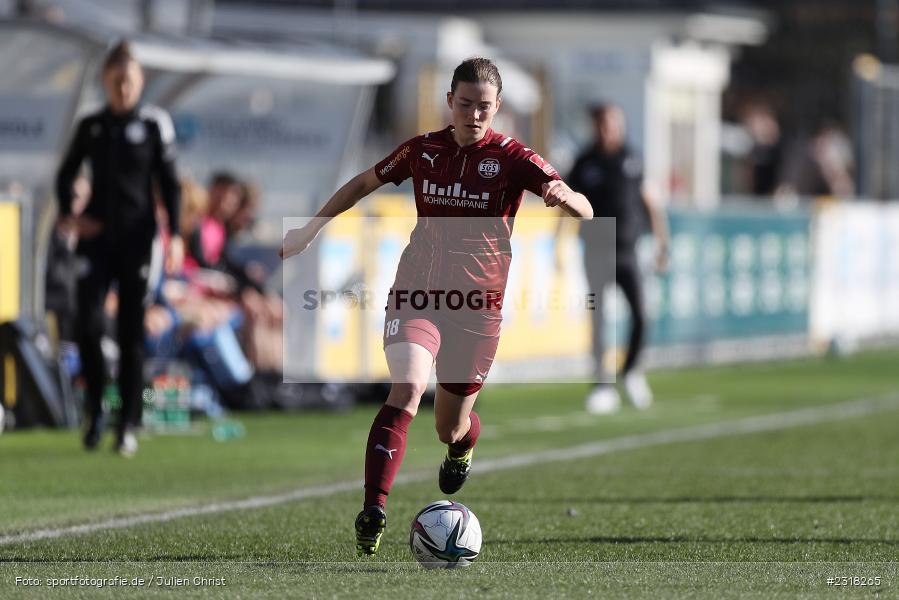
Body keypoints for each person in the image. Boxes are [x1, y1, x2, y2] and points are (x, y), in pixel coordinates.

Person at [281, 57, 593, 556]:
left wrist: (563, 194)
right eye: (465, 104)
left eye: (484, 108)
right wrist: (309, 228)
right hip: (418, 290)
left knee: (449, 425)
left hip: (477, 308)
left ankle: (462, 445)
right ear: (450, 101)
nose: (473, 115)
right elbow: (364, 183)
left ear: (498, 108)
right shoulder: (422, 151)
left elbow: (586, 207)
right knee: (406, 388)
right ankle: (374, 508)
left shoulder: (513, 157)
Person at [55, 41, 183, 456]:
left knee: (131, 330)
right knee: (88, 324)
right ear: (106, 81)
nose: (123, 88)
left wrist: (175, 235)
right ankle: (94, 412)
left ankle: (127, 422)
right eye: (116, 80)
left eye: (129, 80)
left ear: (140, 81)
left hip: (137, 240)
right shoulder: (91, 125)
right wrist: (69, 214)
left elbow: (170, 182)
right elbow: (67, 173)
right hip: (96, 242)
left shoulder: (152, 124)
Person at [566, 103, 668, 414]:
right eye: (602, 123)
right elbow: (566, 200)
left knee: (640, 314)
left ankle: (631, 371)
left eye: (613, 123)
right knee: (599, 320)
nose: (608, 129)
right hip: (595, 251)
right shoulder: (584, 163)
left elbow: (651, 202)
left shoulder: (632, 159)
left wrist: (663, 241)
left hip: (628, 252)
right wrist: (561, 242)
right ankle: (601, 385)